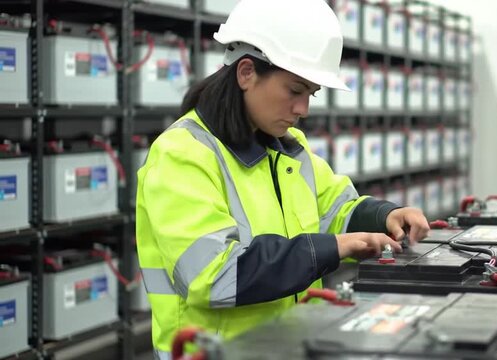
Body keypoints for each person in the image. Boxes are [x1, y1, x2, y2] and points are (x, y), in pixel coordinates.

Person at [135, 0, 430, 358]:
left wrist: (384, 215)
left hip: (289, 343)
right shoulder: (182, 155)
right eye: (295, 90)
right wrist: (332, 247)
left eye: (310, 95)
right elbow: (214, 276)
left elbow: (335, 210)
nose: (303, 110)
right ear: (246, 73)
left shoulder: (289, 148)